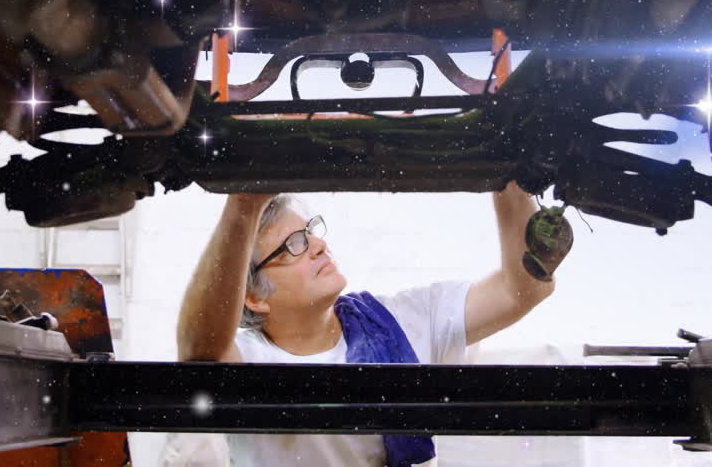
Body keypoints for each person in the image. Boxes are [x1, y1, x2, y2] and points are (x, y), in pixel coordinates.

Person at [176, 183, 565, 466]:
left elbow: (521, 290)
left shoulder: (396, 323)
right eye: (293, 244)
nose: (318, 245)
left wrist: (509, 178)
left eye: (311, 231)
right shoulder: (248, 357)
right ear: (256, 297)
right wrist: (244, 204)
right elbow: (200, 351)